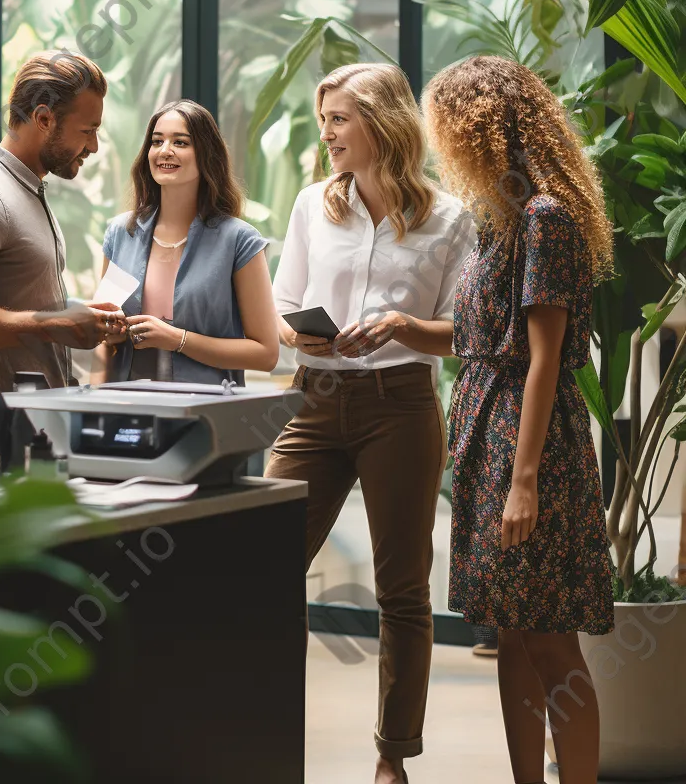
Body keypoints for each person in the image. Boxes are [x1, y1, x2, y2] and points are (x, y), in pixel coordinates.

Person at [264, 63, 476, 784]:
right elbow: (281, 305)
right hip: (314, 400)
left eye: (339, 120)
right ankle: (261, 728)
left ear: (382, 123)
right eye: (324, 120)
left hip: (402, 407)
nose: (327, 134)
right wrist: (304, 336)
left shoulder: (450, 218)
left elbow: (466, 333)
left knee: (403, 590)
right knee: (259, 564)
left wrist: (407, 326)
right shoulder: (310, 207)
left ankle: (393, 757)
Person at [423, 56, 614, 784]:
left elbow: (544, 357)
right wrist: (402, 328)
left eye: (446, 126)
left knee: (551, 639)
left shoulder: (544, 218)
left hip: (526, 443)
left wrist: (524, 480)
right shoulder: (503, 222)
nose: (441, 143)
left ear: (480, 127)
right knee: (513, 636)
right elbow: (480, 341)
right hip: (490, 433)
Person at [0, 51, 125, 391]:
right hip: (0, 432)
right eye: (88, 131)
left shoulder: (27, 191)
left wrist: (74, 315)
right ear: (44, 119)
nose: (95, 146)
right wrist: (55, 323)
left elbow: (19, 303)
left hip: (38, 425)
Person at [96, 100, 279, 385]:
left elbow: (266, 354)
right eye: (157, 141)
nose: (164, 151)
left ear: (206, 154)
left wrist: (178, 340)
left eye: (180, 142)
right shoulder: (121, 233)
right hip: (127, 406)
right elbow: (103, 339)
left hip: (206, 412)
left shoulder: (239, 241)